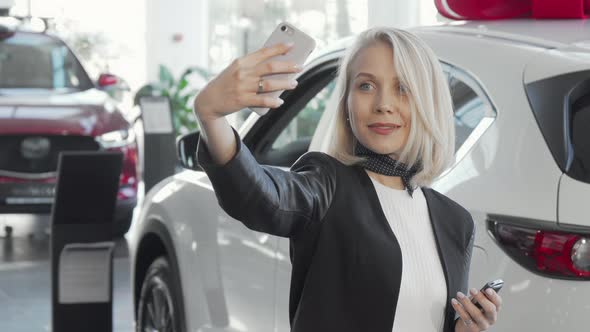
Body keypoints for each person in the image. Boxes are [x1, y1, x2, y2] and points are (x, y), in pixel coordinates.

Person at [193, 27, 503, 332]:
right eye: (366, 86)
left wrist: (465, 328)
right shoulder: (327, 184)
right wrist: (211, 117)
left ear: (429, 105)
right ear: (346, 106)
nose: (383, 103)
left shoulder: (456, 223)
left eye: (402, 88)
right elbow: (259, 197)